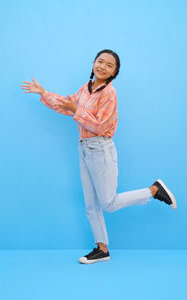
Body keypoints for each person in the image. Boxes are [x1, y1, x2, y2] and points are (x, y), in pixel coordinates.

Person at [21, 49, 177, 265]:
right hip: (84, 148)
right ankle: (101, 249)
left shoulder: (109, 94)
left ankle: (153, 190)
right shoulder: (86, 89)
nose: (102, 66)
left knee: (108, 203)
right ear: (94, 63)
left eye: (109, 65)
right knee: (90, 203)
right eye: (100, 61)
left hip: (101, 148)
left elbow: (99, 125)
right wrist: (43, 93)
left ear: (114, 73)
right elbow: (67, 107)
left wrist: (76, 109)